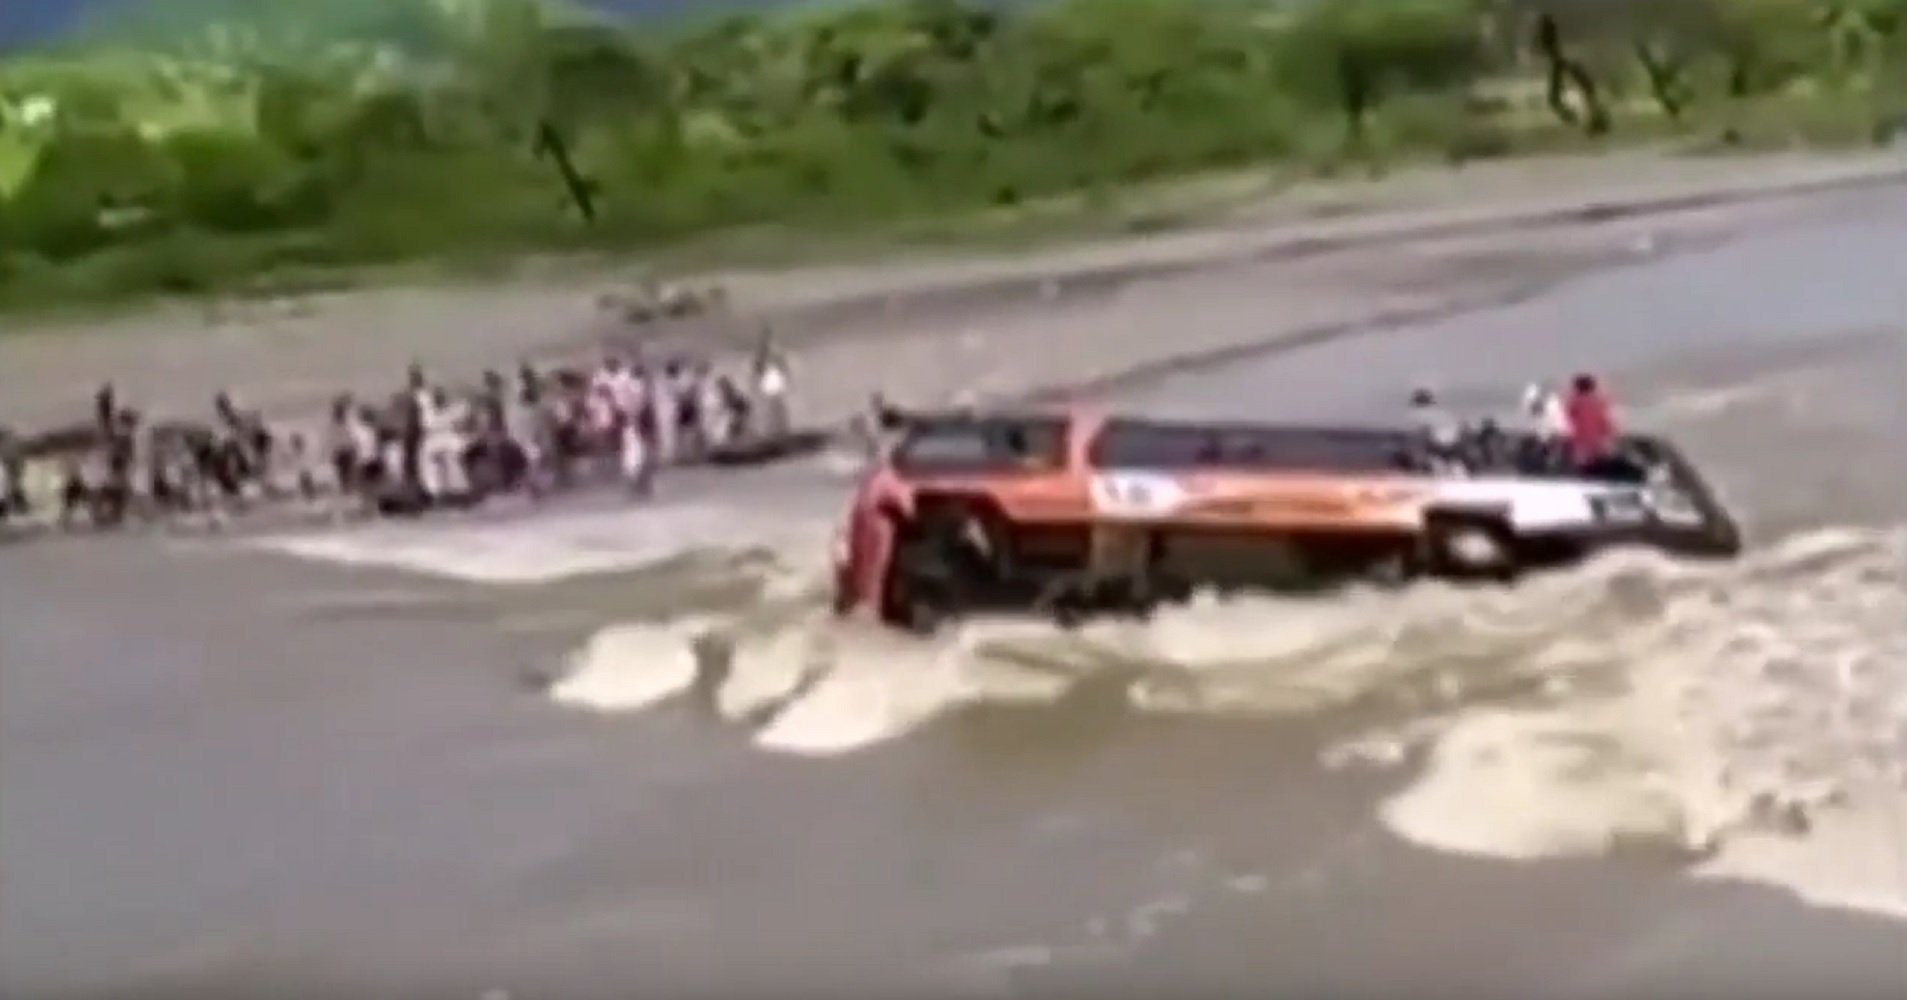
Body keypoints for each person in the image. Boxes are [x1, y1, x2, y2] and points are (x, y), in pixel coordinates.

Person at [1563, 373, 1616, 472]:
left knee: (1583, 466)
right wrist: (1609, 435)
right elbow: (1607, 421)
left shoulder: (1574, 401)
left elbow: (1568, 418)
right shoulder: (1600, 401)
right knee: (1599, 465)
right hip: (1598, 440)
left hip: (1581, 439)